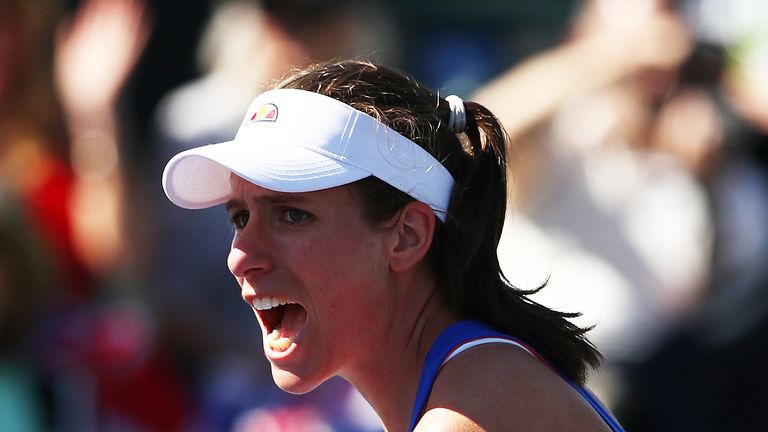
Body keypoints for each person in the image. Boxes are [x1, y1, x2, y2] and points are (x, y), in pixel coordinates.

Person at [161, 59, 623, 431]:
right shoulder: (481, 379)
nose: (240, 256)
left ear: (408, 236)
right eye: (240, 217)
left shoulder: (465, 412)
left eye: (291, 214)